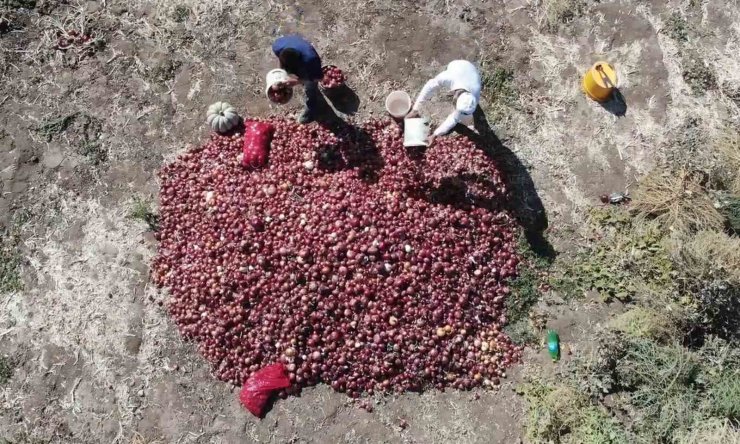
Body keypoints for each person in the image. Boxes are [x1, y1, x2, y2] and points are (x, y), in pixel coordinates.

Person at [407, 60, 481, 145]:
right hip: (459, 65)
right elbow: (429, 87)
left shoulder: (475, 94)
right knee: (438, 81)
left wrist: (434, 135)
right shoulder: (448, 78)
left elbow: (454, 119)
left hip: (473, 75)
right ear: (455, 98)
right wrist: (415, 109)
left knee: (461, 118)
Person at [271, 34, 324, 124]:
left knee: (310, 86)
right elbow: (281, 59)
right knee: (297, 75)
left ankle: (311, 108)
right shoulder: (277, 46)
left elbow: (319, 78)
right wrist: (282, 73)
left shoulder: (311, 60)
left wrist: (297, 81)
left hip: (308, 63)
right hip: (293, 46)